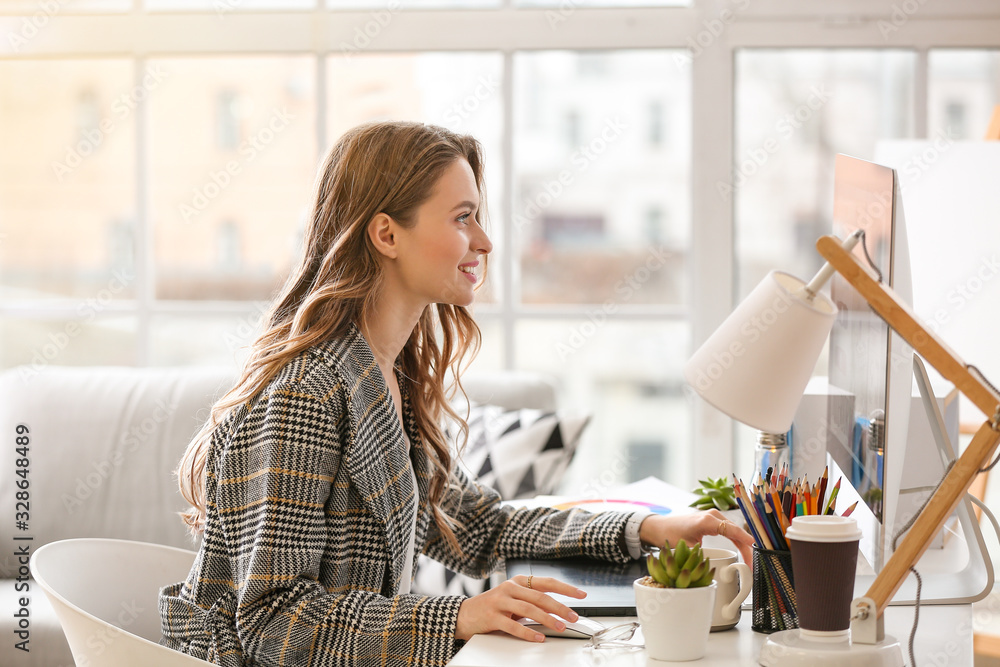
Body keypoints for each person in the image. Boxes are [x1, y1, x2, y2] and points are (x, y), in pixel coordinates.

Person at [159, 120, 754, 667]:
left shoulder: (390, 374)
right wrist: (460, 617)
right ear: (387, 234)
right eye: (463, 217)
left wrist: (645, 530)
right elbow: (272, 624)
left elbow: (477, 527)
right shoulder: (305, 395)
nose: (486, 242)